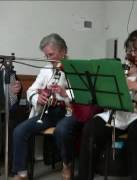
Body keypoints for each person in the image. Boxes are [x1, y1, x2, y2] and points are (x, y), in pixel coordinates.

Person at [77, 29, 137, 180]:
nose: (134, 54)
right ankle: (84, 176)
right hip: (116, 114)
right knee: (91, 128)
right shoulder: (119, 68)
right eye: (130, 50)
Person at [12, 33, 81, 180]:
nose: (49, 58)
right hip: (49, 112)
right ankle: (22, 173)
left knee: (62, 131)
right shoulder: (45, 69)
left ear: (63, 51)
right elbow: (31, 90)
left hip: (69, 111)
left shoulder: (76, 68)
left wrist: (65, 93)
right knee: (19, 131)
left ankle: (67, 163)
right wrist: (39, 98)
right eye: (46, 55)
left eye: (51, 54)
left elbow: (83, 95)